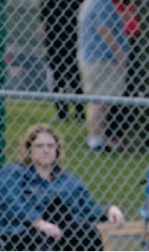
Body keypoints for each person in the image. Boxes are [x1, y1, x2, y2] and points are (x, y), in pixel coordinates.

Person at [0, 123, 125, 250]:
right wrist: (38, 222)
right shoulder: (14, 174)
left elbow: (87, 206)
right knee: (41, 241)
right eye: (39, 146)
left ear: (57, 150)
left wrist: (108, 210)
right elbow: (11, 203)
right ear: (29, 151)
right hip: (26, 230)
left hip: (63, 229)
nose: (46, 150)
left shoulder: (67, 179)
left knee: (88, 233)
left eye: (50, 146)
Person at [78, 0, 131, 151]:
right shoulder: (101, 3)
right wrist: (119, 53)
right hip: (103, 58)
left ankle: (97, 138)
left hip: (93, 57)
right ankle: (96, 140)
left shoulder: (89, 3)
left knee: (98, 101)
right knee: (101, 101)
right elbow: (104, 28)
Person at [39, 0, 85, 121]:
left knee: (67, 77)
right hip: (63, 40)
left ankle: (67, 112)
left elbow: (45, 18)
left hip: (64, 39)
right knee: (69, 77)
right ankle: (71, 112)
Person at [105, 0, 141, 149]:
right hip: (117, 49)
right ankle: (112, 135)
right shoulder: (111, 5)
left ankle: (120, 134)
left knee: (129, 90)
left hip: (132, 45)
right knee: (115, 94)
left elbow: (135, 28)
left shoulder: (128, 5)